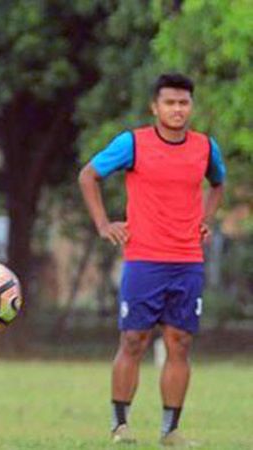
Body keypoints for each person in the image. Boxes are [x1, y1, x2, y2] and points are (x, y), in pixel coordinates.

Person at [78, 73, 226, 447]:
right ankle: (120, 425)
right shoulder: (133, 143)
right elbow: (88, 175)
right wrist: (103, 223)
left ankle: (170, 431)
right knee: (133, 340)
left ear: (191, 106)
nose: (177, 110)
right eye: (170, 103)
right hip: (144, 259)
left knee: (179, 343)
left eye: (183, 103)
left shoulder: (206, 148)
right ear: (154, 107)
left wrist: (205, 221)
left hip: (188, 261)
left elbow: (219, 184)